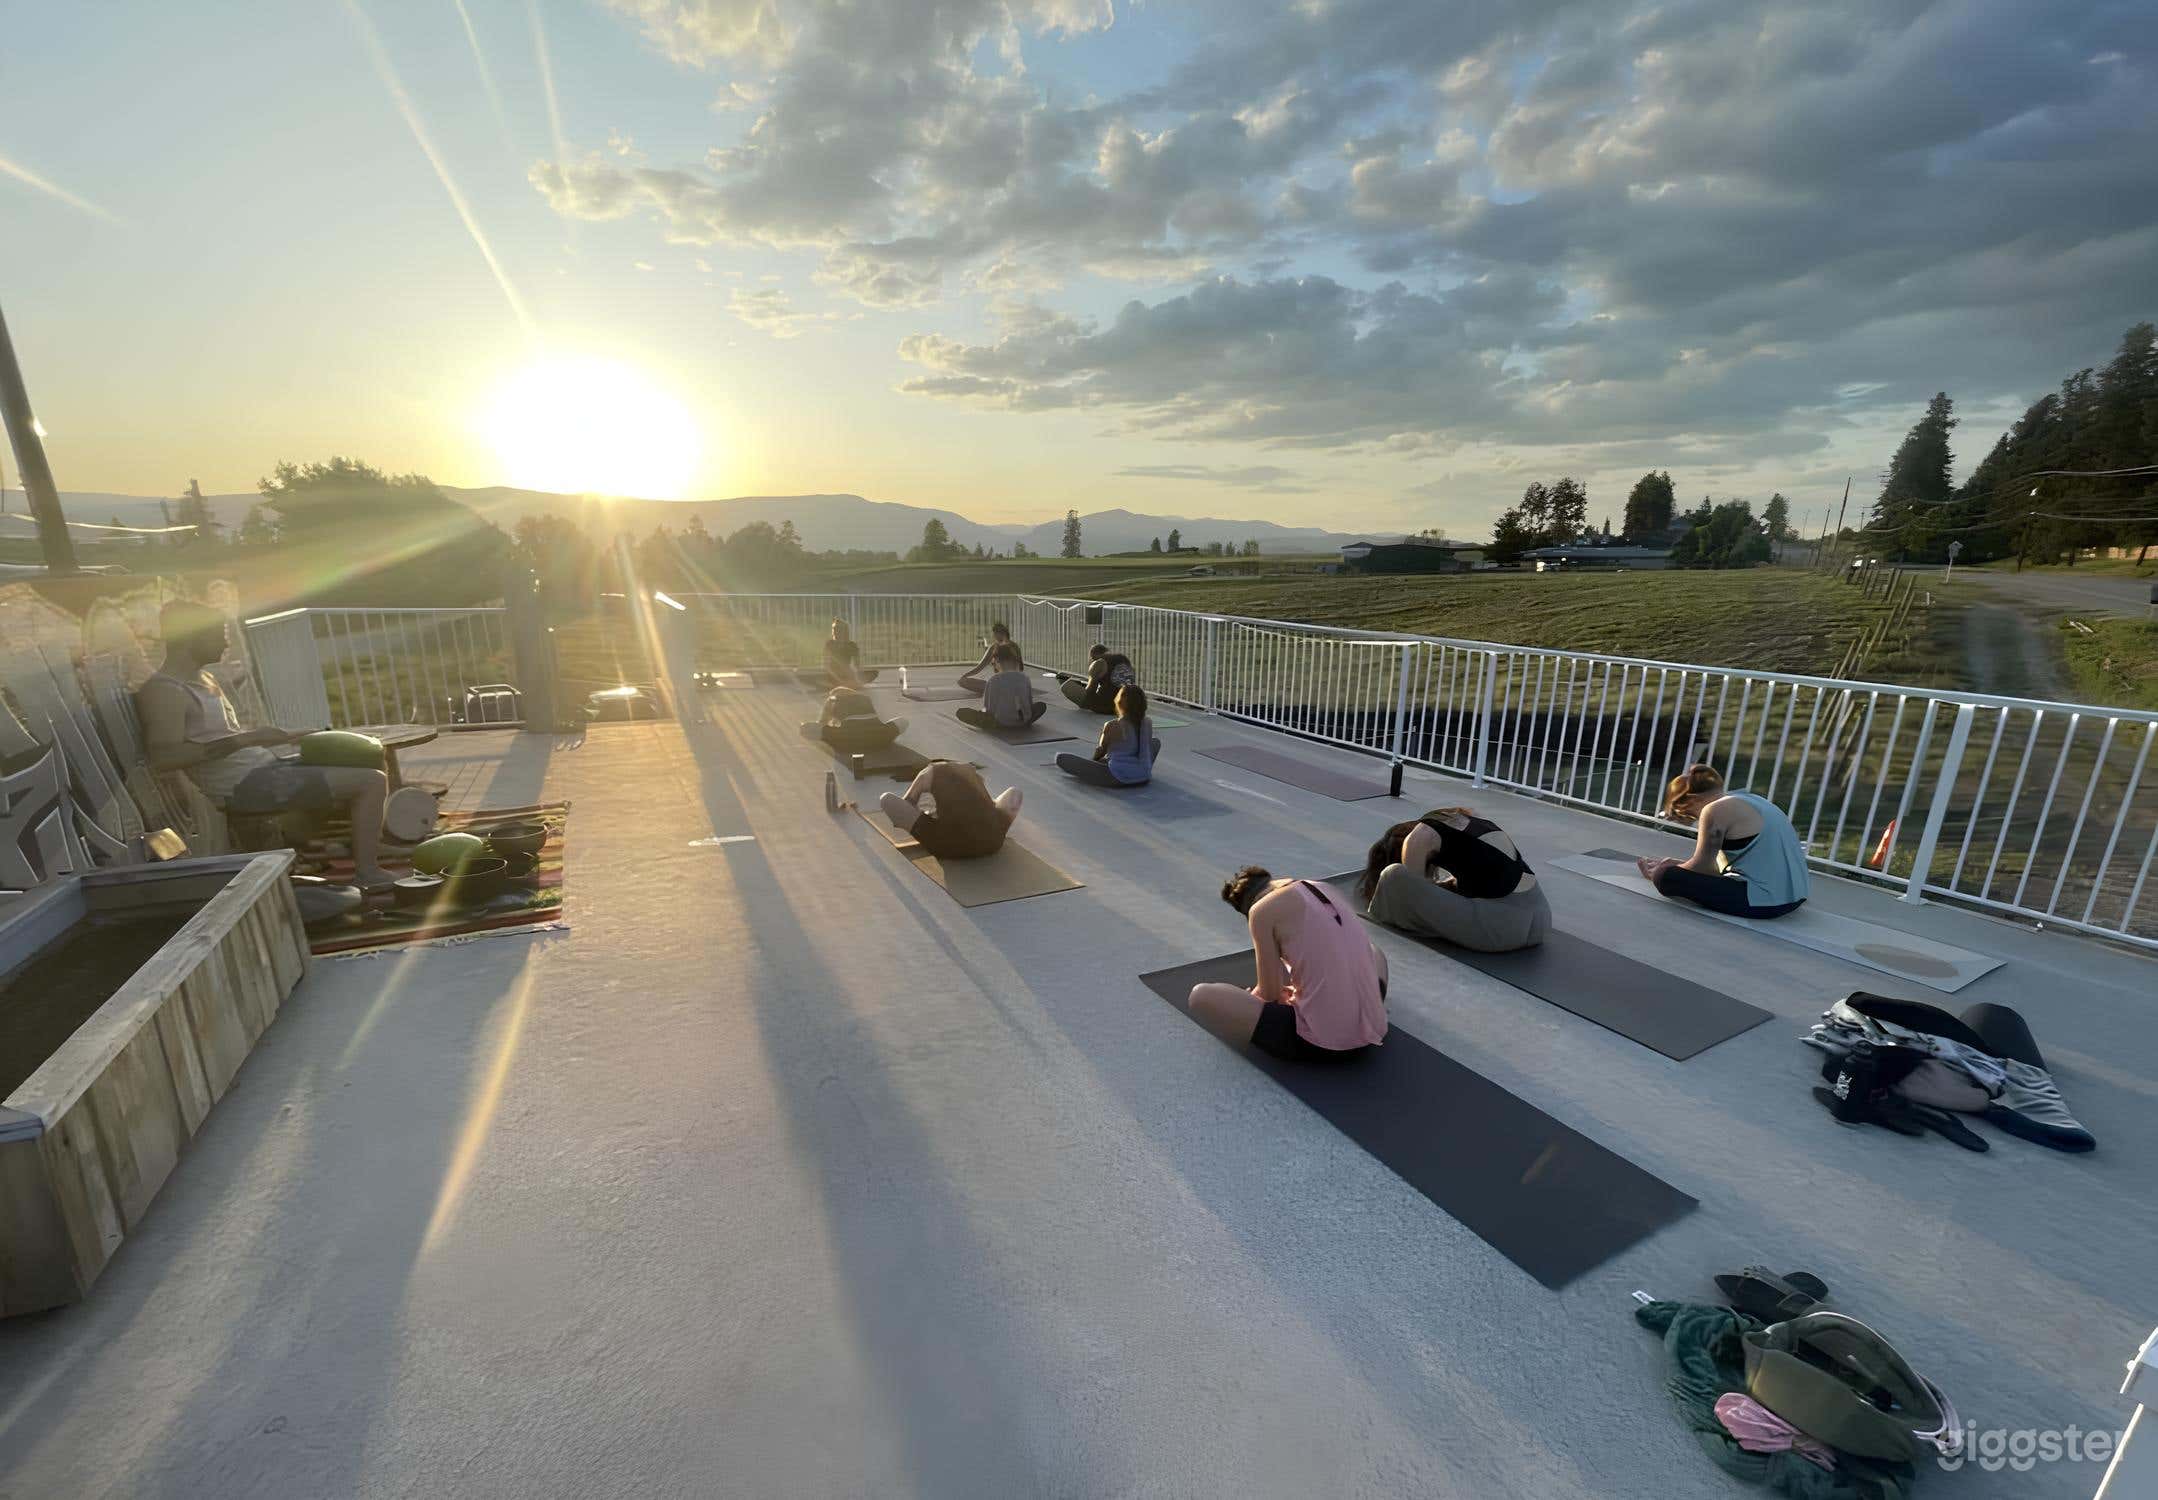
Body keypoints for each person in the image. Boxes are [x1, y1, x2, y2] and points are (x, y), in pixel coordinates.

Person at [138, 601, 398, 890]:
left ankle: (373, 844)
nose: (226, 642)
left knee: (369, 756)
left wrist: (286, 735)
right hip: (241, 786)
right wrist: (248, 738)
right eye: (217, 634)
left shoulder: (204, 679)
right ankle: (368, 872)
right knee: (371, 782)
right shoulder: (165, 691)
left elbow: (220, 736)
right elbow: (164, 757)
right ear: (190, 636)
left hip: (261, 769)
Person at [1188, 866, 1389, 1062]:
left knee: (1201, 995)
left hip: (1324, 1044)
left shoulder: (1260, 911)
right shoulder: (1324, 887)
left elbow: (1270, 993)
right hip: (1375, 1026)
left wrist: (1251, 996)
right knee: (1374, 952)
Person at [1357, 808, 1550, 952]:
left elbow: (1412, 892)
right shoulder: (1456, 817)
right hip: (1539, 916)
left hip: (1502, 928)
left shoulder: (1417, 839)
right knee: (1450, 884)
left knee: (1393, 876)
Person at [1638, 763, 1809, 919]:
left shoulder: (1713, 810)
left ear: (1692, 799)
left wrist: (1666, 867)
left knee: (1666, 877)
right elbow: (1716, 868)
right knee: (1674, 869)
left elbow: (1704, 867)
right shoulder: (1752, 800)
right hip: (1795, 895)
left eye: (1686, 812)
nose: (1693, 818)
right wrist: (1682, 864)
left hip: (1765, 902)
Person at [880, 759, 1022, 859]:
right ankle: (993, 830)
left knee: (886, 799)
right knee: (1014, 793)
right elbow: (985, 804)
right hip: (993, 842)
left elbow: (908, 802)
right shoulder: (971, 771)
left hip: (947, 847)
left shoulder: (927, 772)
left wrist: (928, 817)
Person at [1056, 684, 1160, 787]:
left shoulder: (1112, 725)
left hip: (1118, 776)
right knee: (1155, 742)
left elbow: (1101, 750)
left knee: (1060, 758)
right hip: (1144, 775)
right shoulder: (1147, 722)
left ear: (1120, 701)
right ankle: (1134, 768)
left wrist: (1092, 763)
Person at [956, 643, 1046, 730]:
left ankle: (996, 724)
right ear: (1014, 659)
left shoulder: (993, 680)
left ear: (997, 660)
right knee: (1041, 706)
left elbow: (989, 710)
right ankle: (1018, 723)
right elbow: (1028, 705)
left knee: (962, 712)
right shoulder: (1024, 679)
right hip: (1021, 721)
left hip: (998, 723)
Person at [798, 685, 905, 755]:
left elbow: (822, 722)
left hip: (850, 741)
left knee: (805, 728)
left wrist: (827, 731)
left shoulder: (834, 699)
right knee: (903, 721)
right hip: (880, 737)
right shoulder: (865, 698)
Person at [1060, 645, 1136, 712]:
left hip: (1105, 707)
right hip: (1125, 707)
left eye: (1092, 658)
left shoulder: (1098, 663)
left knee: (1065, 685)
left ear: (1094, 654)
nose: (1092, 660)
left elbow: (1090, 691)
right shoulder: (1123, 659)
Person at [957, 620, 1018, 695]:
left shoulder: (994, 647)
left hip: (999, 685)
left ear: (999, 634)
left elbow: (979, 668)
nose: (994, 636)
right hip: (1014, 685)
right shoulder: (1015, 646)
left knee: (962, 681)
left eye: (995, 634)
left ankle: (992, 691)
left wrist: (964, 675)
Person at [823, 619, 877, 687]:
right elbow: (826, 665)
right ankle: (845, 683)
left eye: (838, 629)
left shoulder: (852, 645)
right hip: (833, 674)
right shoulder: (829, 644)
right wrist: (837, 678)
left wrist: (858, 676)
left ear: (845, 631)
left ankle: (849, 683)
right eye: (834, 629)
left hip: (847, 674)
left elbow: (857, 665)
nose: (835, 631)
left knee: (873, 673)